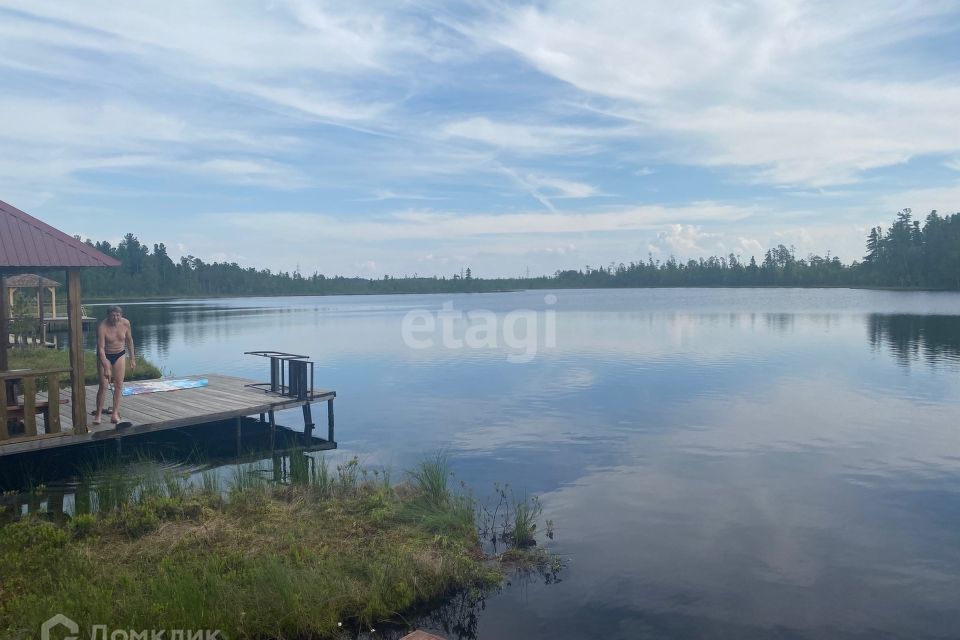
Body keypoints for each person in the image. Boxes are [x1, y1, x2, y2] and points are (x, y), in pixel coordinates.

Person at [95, 305, 136, 425]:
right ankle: (98, 415)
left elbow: (129, 340)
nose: (115, 317)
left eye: (118, 315)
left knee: (119, 385)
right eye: (113, 315)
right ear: (108, 315)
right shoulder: (102, 327)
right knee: (103, 385)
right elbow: (101, 348)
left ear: (121, 315)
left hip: (120, 354)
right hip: (105, 355)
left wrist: (132, 358)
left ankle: (115, 413)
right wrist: (106, 367)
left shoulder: (125, 323)